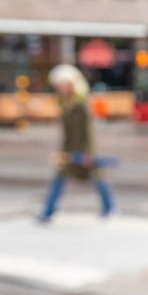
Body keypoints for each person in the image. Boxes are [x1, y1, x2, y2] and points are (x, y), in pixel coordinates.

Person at [37, 65, 115, 223]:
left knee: (98, 178)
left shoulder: (81, 104)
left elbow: (88, 132)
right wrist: (63, 152)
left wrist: (87, 153)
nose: (60, 88)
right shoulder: (66, 104)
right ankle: (48, 211)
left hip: (84, 150)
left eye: (62, 84)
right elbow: (67, 133)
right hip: (69, 150)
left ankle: (109, 207)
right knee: (59, 179)